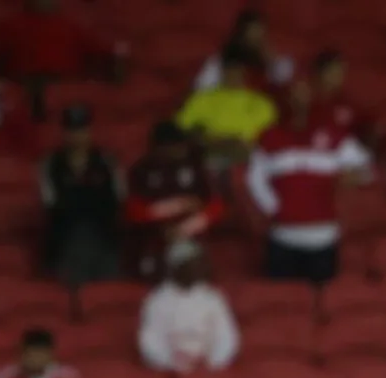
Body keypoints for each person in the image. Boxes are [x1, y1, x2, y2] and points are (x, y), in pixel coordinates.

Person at [247, 80, 371, 283]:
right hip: (283, 237)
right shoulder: (270, 137)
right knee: (281, 299)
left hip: (323, 238)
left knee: (324, 298)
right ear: (286, 99)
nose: (300, 102)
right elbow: (254, 179)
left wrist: (352, 176)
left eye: (304, 95)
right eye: (295, 96)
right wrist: (275, 208)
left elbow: (366, 169)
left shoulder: (335, 135)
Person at [124, 121, 224, 279]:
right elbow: (133, 212)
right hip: (153, 240)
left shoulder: (195, 166)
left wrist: (186, 228)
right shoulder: (141, 171)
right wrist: (177, 206)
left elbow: (216, 207)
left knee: (194, 267)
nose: (180, 150)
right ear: (159, 148)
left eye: (181, 145)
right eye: (174, 146)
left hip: (191, 237)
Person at [39, 103, 121, 284]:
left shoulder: (106, 161)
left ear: (89, 131)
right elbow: (52, 206)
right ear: (64, 133)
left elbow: (116, 201)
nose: (77, 135)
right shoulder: (52, 164)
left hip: (103, 239)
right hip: (66, 241)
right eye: (72, 130)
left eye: (82, 129)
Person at [138, 241, 239, 374]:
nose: (191, 269)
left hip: (208, 369)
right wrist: (171, 361)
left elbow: (226, 336)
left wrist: (212, 362)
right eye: (186, 265)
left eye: (195, 264)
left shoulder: (213, 298)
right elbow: (150, 340)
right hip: (170, 370)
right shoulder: (158, 300)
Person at [176, 47, 276, 166]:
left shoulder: (261, 104)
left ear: (245, 73)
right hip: (209, 153)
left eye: (237, 71)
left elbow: (270, 138)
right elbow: (181, 129)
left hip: (246, 157)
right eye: (229, 70)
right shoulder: (202, 99)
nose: (233, 75)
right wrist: (208, 139)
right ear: (221, 71)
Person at [194, 9, 293, 93]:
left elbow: (285, 80)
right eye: (251, 34)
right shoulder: (221, 60)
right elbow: (202, 90)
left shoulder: (268, 61)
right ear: (241, 36)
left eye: (259, 35)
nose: (255, 40)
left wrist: (271, 59)